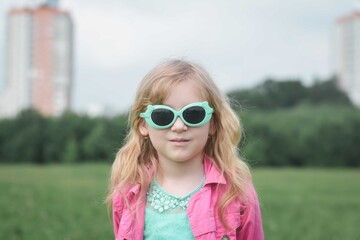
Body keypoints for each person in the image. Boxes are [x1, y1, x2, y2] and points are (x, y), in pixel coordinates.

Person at [107, 59, 264, 240]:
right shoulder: (127, 194)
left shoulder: (237, 193)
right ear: (143, 125)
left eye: (193, 114)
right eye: (162, 115)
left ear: (212, 123)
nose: (179, 126)